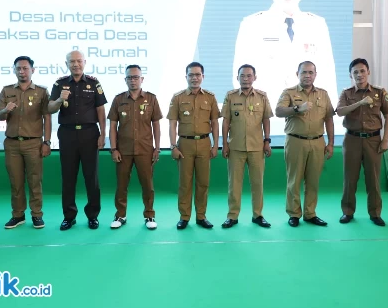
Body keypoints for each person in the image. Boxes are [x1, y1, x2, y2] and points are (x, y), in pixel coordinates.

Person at [232, 0, 338, 111]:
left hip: (308, 121)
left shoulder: (317, 26)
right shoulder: (252, 25)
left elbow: (328, 80)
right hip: (265, 119)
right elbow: (239, 80)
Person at [48, 50, 107, 231]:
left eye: (78, 61)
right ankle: (69, 216)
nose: (75, 64)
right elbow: (50, 108)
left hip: (90, 133)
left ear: (84, 62)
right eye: (72, 61)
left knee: (91, 177)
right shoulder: (59, 84)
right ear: (66, 63)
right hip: (67, 135)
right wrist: (59, 99)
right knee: (68, 177)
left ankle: (93, 216)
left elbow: (100, 110)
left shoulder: (94, 83)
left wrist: (103, 134)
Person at [336, 58, 388, 226]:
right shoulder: (346, 93)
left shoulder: (380, 92)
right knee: (350, 178)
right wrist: (360, 102)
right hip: (352, 139)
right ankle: (347, 212)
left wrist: (385, 140)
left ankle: (375, 213)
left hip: (373, 140)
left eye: (362, 71)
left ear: (368, 72)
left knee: (373, 179)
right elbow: (340, 112)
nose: (359, 75)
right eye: (355, 72)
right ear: (350, 75)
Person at [276, 61, 335, 227]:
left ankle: (310, 213)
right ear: (297, 74)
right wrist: (297, 109)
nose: (307, 75)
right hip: (295, 141)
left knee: (313, 180)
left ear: (315, 74)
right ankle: (294, 214)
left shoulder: (323, 94)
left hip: (317, 142)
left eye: (311, 72)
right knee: (294, 180)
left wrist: (330, 143)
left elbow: (329, 118)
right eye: (304, 72)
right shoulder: (289, 92)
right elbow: (278, 111)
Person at [0, 56, 52, 230]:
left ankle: (37, 215)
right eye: (18, 68)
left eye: (25, 68)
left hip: (33, 143)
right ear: (14, 70)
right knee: (16, 181)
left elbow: (47, 118)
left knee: (35, 181)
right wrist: (6, 110)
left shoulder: (42, 92)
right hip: (12, 143)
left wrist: (47, 142)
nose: (22, 71)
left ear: (32, 70)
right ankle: (18, 215)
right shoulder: (6, 91)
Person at [108, 65, 163, 230]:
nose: (133, 80)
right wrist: (113, 149)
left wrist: (158, 148)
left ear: (142, 79)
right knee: (121, 185)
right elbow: (112, 126)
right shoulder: (118, 99)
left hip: (145, 150)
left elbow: (156, 125)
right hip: (123, 150)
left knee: (147, 185)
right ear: (125, 80)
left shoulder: (151, 99)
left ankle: (149, 215)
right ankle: (120, 215)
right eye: (130, 78)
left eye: (136, 77)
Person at [167, 62, 220, 229]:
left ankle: (201, 216)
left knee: (203, 182)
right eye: (191, 75)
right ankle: (184, 216)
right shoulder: (178, 97)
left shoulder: (210, 97)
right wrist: (173, 146)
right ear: (186, 77)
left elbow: (215, 123)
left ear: (203, 77)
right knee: (185, 183)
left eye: (198, 75)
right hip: (185, 144)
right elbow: (172, 124)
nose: (194, 78)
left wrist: (215, 145)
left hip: (205, 143)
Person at [220, 64, 273, 229]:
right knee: (234, 184)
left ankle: (258, 215)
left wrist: (267, 141)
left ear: (254, 77)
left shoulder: (262, 97)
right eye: (242, 75)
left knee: (257, 183)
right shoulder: (230, 96)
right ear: (237, 78)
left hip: (257, 147)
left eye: (249, 75)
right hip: (235, 147)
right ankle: (232, 216)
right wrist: (224, 144)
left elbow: (266, 119)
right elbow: (226, 121)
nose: (246, 78)